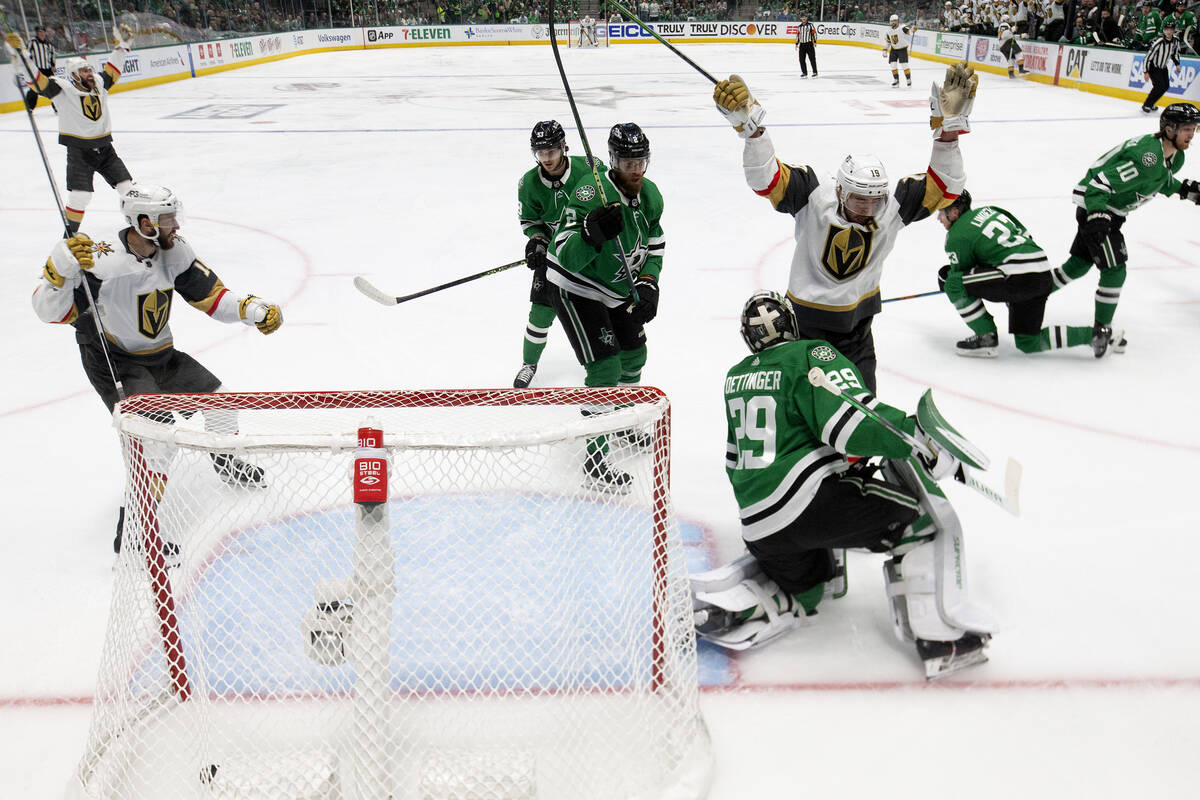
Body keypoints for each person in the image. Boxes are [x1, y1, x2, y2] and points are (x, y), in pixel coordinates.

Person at [691, 290, 995, 679]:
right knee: (921, 522)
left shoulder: (736, 379)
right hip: (809, 504)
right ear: (791, 324)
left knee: (808, 591)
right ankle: (942, 641)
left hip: (758, 523)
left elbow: (736, 460)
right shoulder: (809, 355)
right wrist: (915, 436)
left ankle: (753, 605)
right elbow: (851, 420)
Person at [31, 184, 284, 551]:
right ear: (143, 221)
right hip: (114, 359)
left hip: (160, 353)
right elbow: (49, 313)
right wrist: (56, 273)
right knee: (155, 441)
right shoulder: (101, 261)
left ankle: (227, 460)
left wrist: (251, 308)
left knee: (219, 401)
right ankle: (137, 528)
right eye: (167, 219)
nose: (175, 225)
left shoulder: (174, 252)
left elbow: (211, 296)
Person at [711, 63, 977, 392]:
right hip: (804, 330)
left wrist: (948, 134)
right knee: (810, 416)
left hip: (858, 333)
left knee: (864, 413)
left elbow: (946, 188)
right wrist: (752, 132)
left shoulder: (892, 208)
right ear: (839, 191)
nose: (867, 210)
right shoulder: (812, 195)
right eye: (857, 201)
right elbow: (765, 179)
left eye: (874, 201)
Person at [546, 123, 664, 490]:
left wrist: (648, 283)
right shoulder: (589, 192)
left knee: (635, 357)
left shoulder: (651, 195)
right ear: (613, 161)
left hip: (616, 288)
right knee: (606, 367)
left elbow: (656, 245)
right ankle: (595, 461)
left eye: (641, 160)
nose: (636, 169)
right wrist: (590, 234)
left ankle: (623, 424)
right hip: (576, 287)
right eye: (628, 161)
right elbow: (564, 254)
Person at [1057, 103, 1200, 355]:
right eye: (1187, 129)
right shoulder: (1148, 156)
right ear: (1169, 129)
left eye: (1194, 128)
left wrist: (1184, 190)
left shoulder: (1174, 157)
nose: (1192, 134)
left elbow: (1158, 180)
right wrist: (1098, 215)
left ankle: (1034, 289)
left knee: (1078, 264)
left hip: (1110, 209)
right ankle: (1101, 332)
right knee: (1114, 270)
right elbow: (1099, 185)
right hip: (1099, 206)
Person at [935, 191, 1101, 358]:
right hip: (1042, 272)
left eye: (941, 212)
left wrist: (947, 280)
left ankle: (985, 338)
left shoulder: (956, 236)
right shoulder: (992, 210)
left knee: (953, 284)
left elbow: (962, 274)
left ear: (954, 212)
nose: (938, 218)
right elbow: (1025, 235)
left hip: (1017, 277)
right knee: (1028, 341)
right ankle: (1096, 336)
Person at [7, 25, 136, 234]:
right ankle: (70, 234)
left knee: (128, 188)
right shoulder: (62, 90)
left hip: (105, 148)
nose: (90, 73)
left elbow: (114, 67)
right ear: (74, 74)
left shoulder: (100, 83)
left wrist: (122, 45)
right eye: (85, 71)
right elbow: (37, 81)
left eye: (90, 70)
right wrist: (21, 55)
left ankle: (138, 223)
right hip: (79, 152)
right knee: (80, 196)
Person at [513, 120, 607, 388]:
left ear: (564, 146)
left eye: (552, 151)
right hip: (554, 257)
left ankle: (608, 361)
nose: (547, 159)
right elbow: (531, 222)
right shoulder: (528, 183)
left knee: (602, 308)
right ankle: (529, 364)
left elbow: (611, 202)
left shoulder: (592, 169)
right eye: (541, 153)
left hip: (589, 252)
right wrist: (538, 241)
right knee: (540, 311)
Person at [1142, 22, 1182, 112]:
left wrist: (1177, 64)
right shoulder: (1159, 42)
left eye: (1171, 30)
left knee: (1165, 86)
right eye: (1167, 30)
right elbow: (1148, 57)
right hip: (1154, 67)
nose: (1168, 32)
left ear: (1173, 31)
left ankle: (1151, 104)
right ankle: (1147, 105)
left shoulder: (1175, 41)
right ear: (1164, 31)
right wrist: (1146, 72)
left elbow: (1175, 53)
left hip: (1163, 67)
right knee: (1159, 86)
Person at [22, 26, 55, 111]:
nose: (42, 33)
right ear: (37, 33)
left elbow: (52, 55)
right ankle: (30, 107)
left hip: (48, 69)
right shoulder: (32, 42)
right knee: (34, 89)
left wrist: (53, 65)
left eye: (43, 31)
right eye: (39, 32)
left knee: (53, 87)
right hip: (37, 69)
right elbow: (26, 54)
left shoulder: (49, 44)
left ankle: (56, 106)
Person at [883, 14, 914, 87]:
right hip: (894, 49)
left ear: (897, 21)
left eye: (895, 21)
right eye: (892, 21)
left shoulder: (902, 27)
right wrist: (885, 50)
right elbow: (888, 42)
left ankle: (908, 80)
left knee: (904, 65)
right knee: (893, 65)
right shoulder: (888, 31)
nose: (893, 22)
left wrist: (913, 29)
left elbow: (910, 32)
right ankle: (896, 80)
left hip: (902, 49)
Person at [795, 12, 818, 78]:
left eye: (805, 17)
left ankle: (815, 72)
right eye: (802, 17)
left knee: (812, 58)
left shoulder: (810, 25)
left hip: (809, 44)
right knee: (801, 59)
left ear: (806, 18)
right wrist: (796, 43)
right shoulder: (799, 27)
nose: (803, 18)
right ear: (801, 18)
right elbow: (798, 35)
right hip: (802, 45)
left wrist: (815, 41)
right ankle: (804, 72)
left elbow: (814, 33)